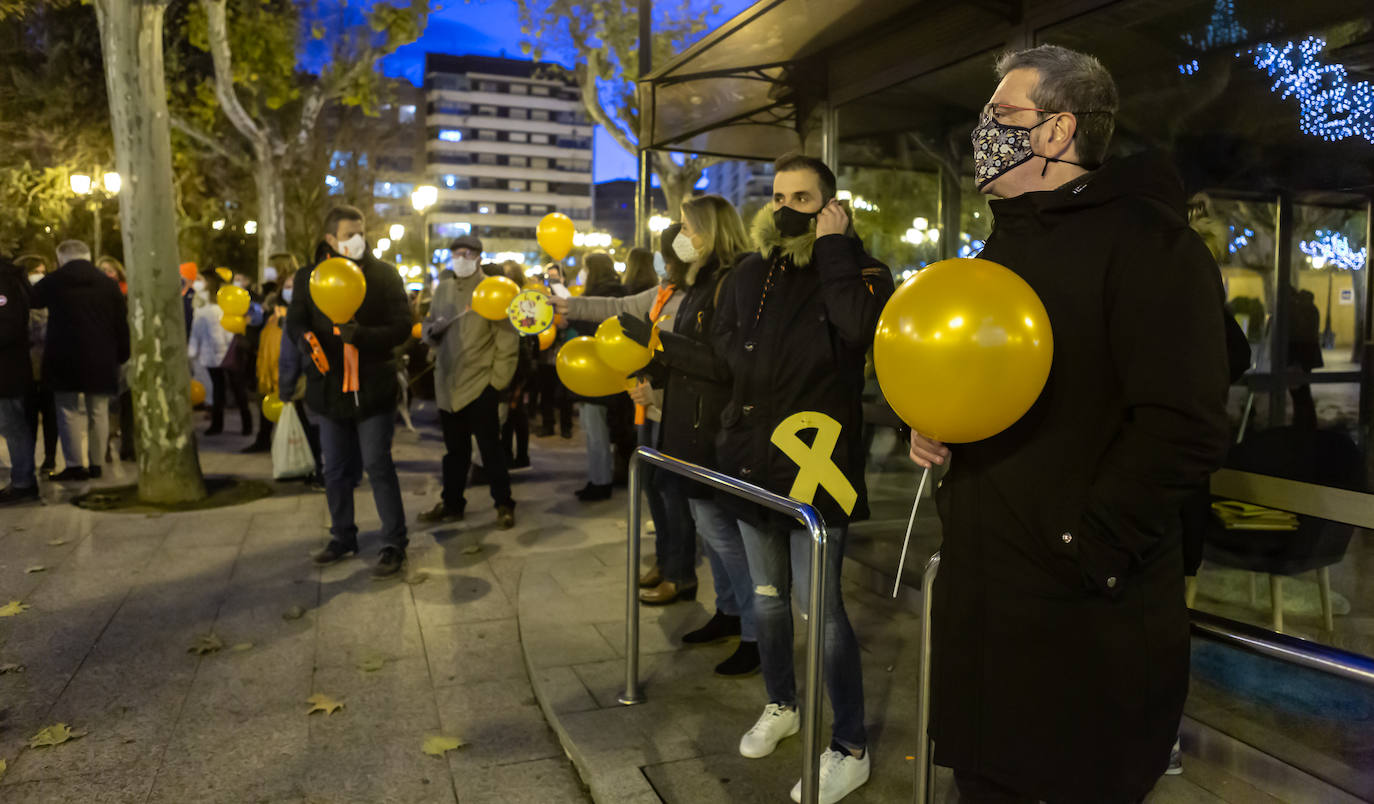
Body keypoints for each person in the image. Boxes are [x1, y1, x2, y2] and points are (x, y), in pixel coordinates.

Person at [907, 45, 1231, 804]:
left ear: (1057, 132)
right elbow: (980, 380)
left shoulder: (1154, 245)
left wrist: (1084, 545)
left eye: (1002, 116)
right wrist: (934, 429)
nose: (982, 129)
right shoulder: (1001, 248)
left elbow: (1183, 427)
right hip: (987, 609)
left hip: (1085, 625)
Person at [712, 154, 893, 803]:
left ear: (830, 205)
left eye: (804, 197)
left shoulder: (860, 268)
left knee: (823, 611)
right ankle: (782, 703)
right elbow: (726, 342)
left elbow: (857, 328)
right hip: (752, 459)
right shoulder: (750, 271)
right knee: (766, 598)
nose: (787, 206)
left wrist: (834, 248)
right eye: (780, 194)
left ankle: (849, 744)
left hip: (817, 463)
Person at [287, 205, 413, 577]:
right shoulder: (308, 277)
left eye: (361, 233)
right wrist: (305, 339)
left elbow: (402, 326)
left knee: (378, 463)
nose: (358, 240)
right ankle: (342, 536)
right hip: (328, 389)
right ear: (330, 239)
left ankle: (394, 542)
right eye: (348, 234)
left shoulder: (384, 275)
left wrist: (364, 337)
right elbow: (296, 319)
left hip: (374, 389)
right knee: (336, 469)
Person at [417, 234, 518, 529]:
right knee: (455, 452)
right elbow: (430, 329)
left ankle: (504, 503)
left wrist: (496, 383)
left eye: (467, 252)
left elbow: (507, 341)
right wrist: (430, 332)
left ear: (478, 257)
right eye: (456, 252)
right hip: (448, 383)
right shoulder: (442, 290)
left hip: (481, 383)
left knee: (490, 449)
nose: (461, 257)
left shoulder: (492, 290)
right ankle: (452, 503)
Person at [30, 240, 130, 482]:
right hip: (102, 357)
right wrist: (123, 354)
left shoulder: (54, 281)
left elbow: (32, 300)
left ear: (61, 258)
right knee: (99, 411)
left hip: (64, 357)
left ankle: (74, 466)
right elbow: (121, 322)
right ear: (88, 256)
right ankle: (96, 464)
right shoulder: (108, 284)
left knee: (68, 411)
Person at [564, 251, 627, 502]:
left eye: (585, 269)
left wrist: (574, 320)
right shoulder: (620, 291)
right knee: (600, 430)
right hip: (610, 372)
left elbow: (598, 329)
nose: (583, 274)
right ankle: (603, 477)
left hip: (596, 373)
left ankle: (600, 481)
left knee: (595, 431)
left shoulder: (602, 295)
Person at [188, 271, 252, 437]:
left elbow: (196, 335)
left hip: (217, 355)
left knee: (221, 390)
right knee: (235, 388)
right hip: (228, 354)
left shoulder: (204, 311)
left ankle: (219, 425)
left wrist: (191, 352)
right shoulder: (221, 308)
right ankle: (246, 425)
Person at [0, 255, 38, 505]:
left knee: (12, 424)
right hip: (12, 367)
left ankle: (23, 481)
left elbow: (8, 326)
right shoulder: (12, 279)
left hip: (7, 369)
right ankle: (22, 479)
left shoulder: (5, 284)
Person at [18, 255, 59, 473]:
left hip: (45, 366)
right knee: (29, 418)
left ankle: (48, 458)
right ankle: (31, 460)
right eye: (36, 271)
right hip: (29, 368)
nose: (40, 277)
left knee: (47, 415)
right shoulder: (21, 301)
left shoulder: (46, 300)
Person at [499, 261, 536, 471]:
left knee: (512, 410)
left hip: (517, 359)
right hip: (522, 359)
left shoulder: (519, 300)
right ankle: (517, 455)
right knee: (515, 410)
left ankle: (512, 455)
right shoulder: (525, 298)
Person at [536, 264, 574, 439]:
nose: (552, 281)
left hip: (564, 351)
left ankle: (566, 427)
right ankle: (547, 424)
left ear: (562, 278)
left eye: (555, 277)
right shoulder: (541, 296)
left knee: (565, 394)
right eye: (549, 277)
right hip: (546, 352)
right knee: (546, 392)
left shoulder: (569, 297)